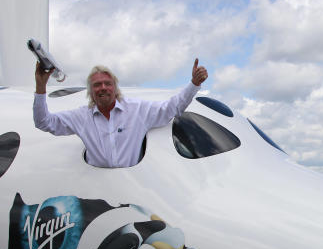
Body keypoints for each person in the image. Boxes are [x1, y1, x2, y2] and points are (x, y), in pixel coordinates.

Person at [33, 59, 208, 168]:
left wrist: (193, 84)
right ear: (91, 91)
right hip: (98, 191)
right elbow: (44, 122)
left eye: (107, 83)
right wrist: (41, 87)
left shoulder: (137, 110)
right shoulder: (81, 117)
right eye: (97, 85)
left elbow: (172, 108)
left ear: (115, 88)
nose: (103, 88)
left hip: (130, 188)